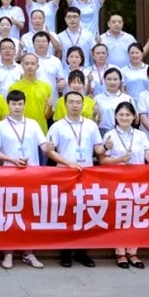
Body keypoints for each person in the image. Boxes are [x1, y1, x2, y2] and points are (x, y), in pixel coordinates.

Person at [0, 90, 47, 269]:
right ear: (8, 105)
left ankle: (28, 253)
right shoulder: (0, 126)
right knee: (9, 214)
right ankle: (8, 253)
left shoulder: (33, 124)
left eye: (20, 103)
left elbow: (44, 146)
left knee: (29, 214)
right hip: (9, 175)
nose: (17, 107)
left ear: (24, 104)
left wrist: (52, 147)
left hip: (32, 175)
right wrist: (12, 159)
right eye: (13, 104)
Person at [45, 91, 104, 268]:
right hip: (65, 173)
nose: (75, 105)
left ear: (83, 104)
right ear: (65, 104)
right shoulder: (57, 126)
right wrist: (68, 163)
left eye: (78, 102)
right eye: (71, 102)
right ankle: (65, 253)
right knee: (66, 213)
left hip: (86, 173)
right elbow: (50, 151)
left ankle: (82, 252)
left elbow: (98, 150)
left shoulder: (91, 125)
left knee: (85, 213)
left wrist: (106, 147)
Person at [99, 101, 149, 269]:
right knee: (120, 216)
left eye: (128, 115)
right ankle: (120, 253)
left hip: (138, 180)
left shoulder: (141, 135)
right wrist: (119, 160)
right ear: (116, 117)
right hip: (117, 181)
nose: (124, 118)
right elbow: (103, 161)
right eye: (121, 115)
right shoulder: (110, 135)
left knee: (136, 216)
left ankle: (133, 252)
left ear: (134, 117)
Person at [8, 54, 53, 133]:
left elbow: (47, 116)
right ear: (22, 66)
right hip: (19, 130)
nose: (30, 66)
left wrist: (50, 107)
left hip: (40, 130)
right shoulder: (14, 87)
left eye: (32, 63)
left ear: (37, 66)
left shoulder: (46, 87)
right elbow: (10, 112)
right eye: (27, 63)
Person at [93, 68, 134, 136]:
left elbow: (135, 119)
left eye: (115, 79)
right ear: (104, 81)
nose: (112, 82)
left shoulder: (127, 98)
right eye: (109, 79)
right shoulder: (97, 98)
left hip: (123, 132)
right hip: (103, 132)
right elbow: (94, 118)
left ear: (120, 81)